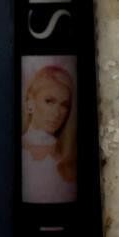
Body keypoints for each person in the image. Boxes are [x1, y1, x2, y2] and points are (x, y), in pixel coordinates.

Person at [19, 62, 77, 205]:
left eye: (64, 105)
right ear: (30, 103)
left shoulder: (70, 154)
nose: (57, 113)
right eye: (49, 101)